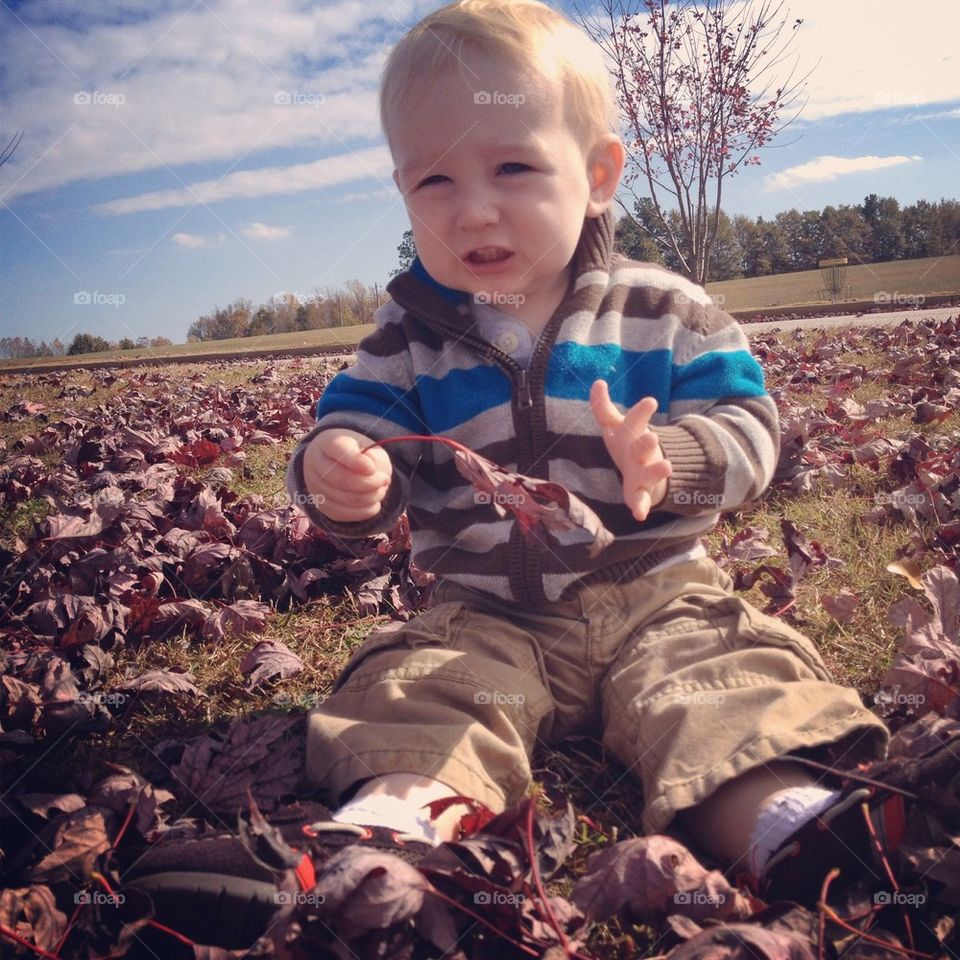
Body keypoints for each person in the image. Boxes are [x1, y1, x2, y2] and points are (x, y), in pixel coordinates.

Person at [122, 0, 958, 947]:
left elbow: (750, 425)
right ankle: (383, 845)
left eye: (513, 167)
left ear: (597, 174)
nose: (472, 207)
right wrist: (335, 472)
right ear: (401, 194)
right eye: (432, 180)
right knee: (426, 685)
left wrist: (676, 456)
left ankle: (800, 832)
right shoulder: (406, 343)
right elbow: (352, 430)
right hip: (488, 611)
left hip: (658, 594)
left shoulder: (667, 311)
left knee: (716, 684)